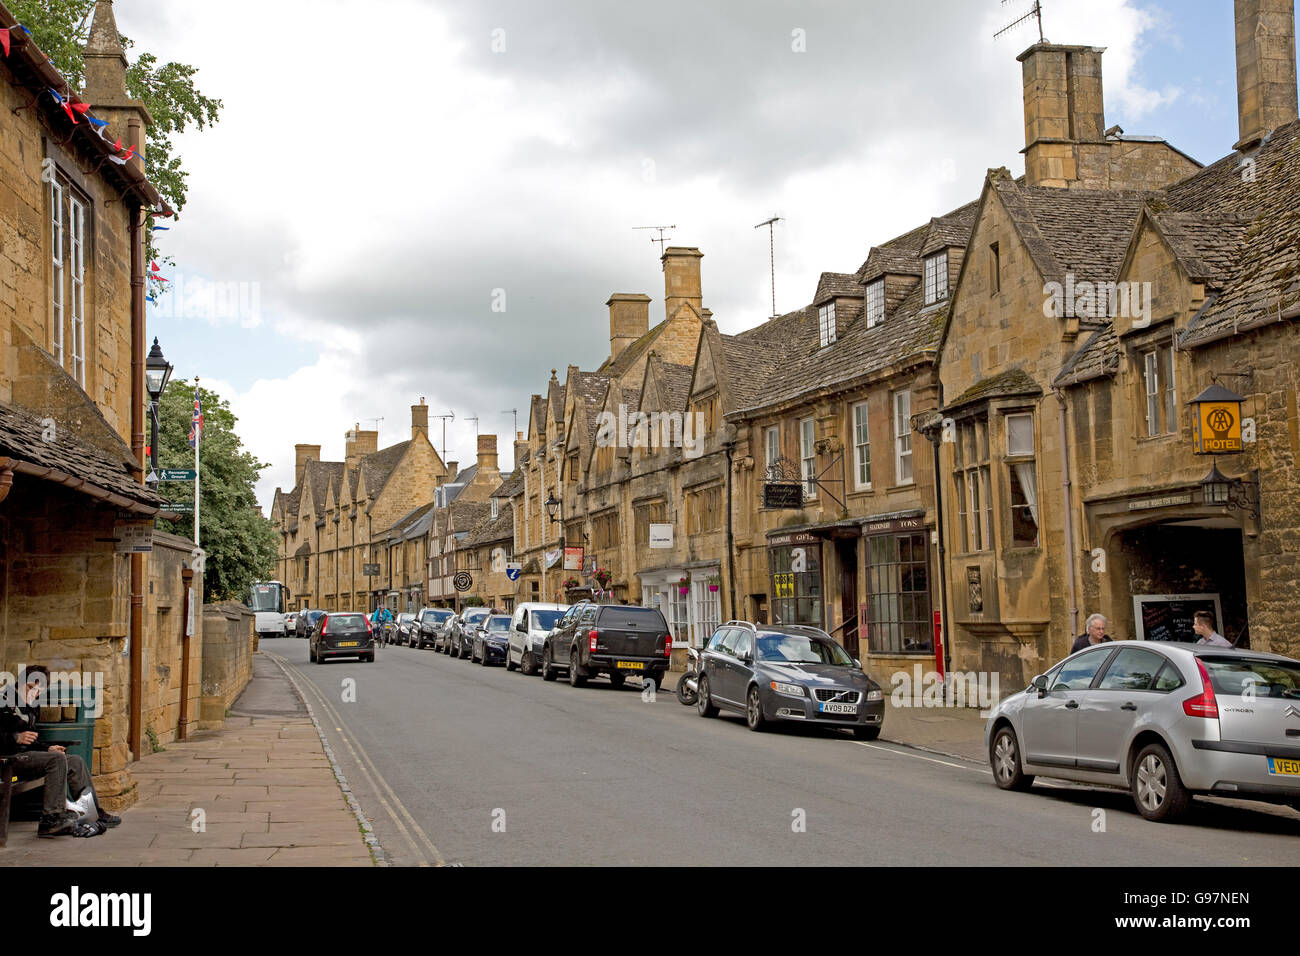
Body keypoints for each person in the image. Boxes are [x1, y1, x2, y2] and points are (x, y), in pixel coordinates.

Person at [0, 666, 120, 837]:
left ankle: (92, 812)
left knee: (75, 760)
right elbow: (15, 738)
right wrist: (15, 738)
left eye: (38, 691)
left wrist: (47, 748)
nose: (33, 693)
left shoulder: (30, 707)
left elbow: (30, 740)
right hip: (8, 759)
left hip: (26, 756)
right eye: (30, 687)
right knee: (55, 760)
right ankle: (51, 818)